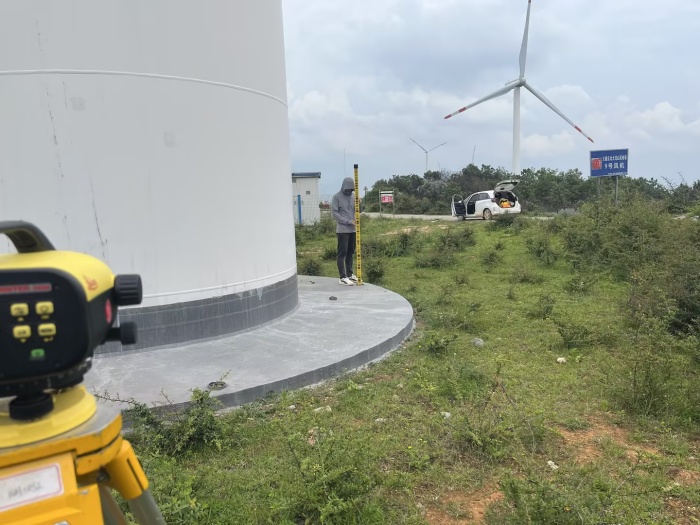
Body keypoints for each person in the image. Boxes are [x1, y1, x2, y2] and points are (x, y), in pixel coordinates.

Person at [331, 177, 358, 286]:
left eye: (351, 190)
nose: (349, 192)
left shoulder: (353, 197)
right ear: (343, 187)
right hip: (343, 230)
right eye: (348, 190)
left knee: (351, 252)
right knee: (342, 253)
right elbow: (335, 213)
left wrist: (360, 203)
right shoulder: (336, 197)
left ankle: (350, 274)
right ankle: (342, 277)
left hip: (353, 230)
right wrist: (347, 221)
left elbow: (358, 210)